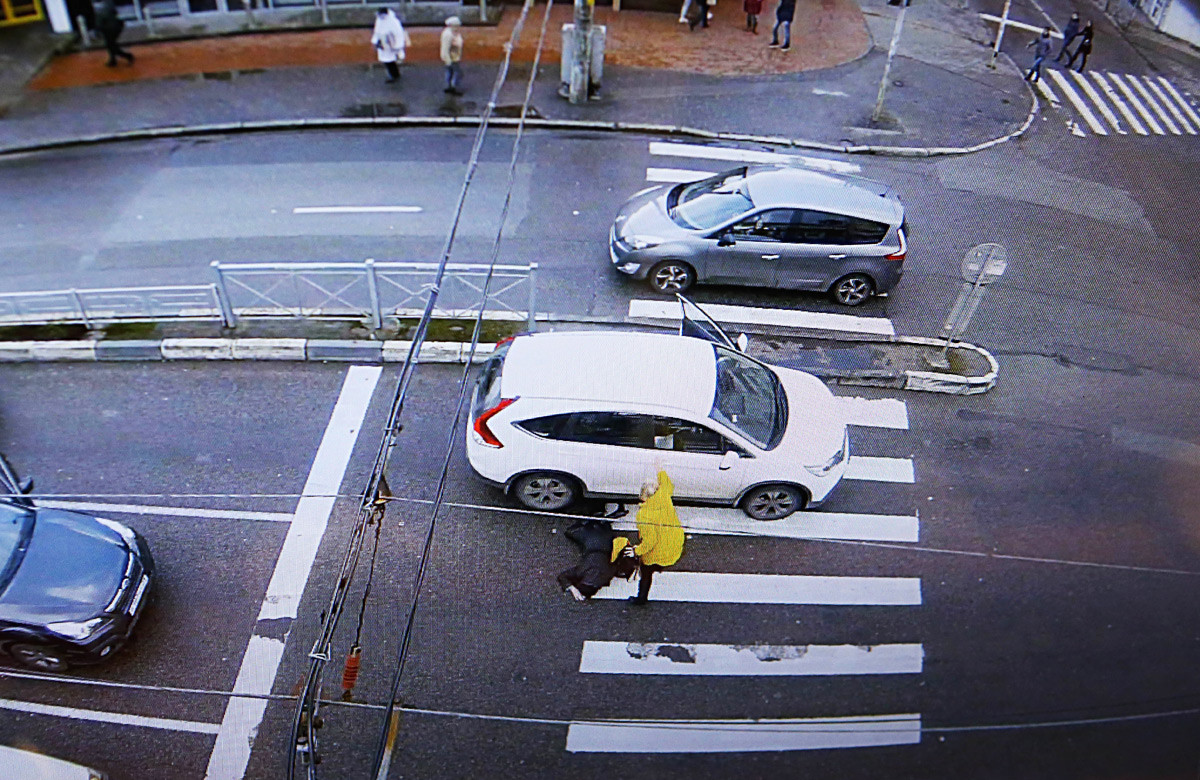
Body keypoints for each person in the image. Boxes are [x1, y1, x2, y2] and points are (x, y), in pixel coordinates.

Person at [628, 470, 685, 606]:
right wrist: (660, 469)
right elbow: (667, 483)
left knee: (646, 572)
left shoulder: (644, 515)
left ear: (643, 496)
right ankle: (659, 567)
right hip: (674, 542)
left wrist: (636, 551)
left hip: (658, 551)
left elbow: (650, 542)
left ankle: (641, 599)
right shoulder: (664, 496)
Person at [556, 518, 635, 601]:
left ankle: (600, 521)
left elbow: (621, 565)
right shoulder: (582, 570)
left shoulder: (608, 574)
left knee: (601, 526)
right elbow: (562, 576)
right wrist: (573, 589)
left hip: (606, 542)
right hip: (591, 543)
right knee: (571, 532)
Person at [370, 8, 410, 84]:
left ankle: (394, 75)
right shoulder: (380, 20)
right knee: (388, 61)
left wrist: (398, 46)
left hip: (391, 43)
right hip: (383, 43)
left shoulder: (393, 22)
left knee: (390, 61)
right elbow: (377, 31)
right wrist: (375, 41)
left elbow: (398, 34)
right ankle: (395, 74)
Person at [96, 0, 134, 68]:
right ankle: (113, 59)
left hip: (110, 26)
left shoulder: (105, 4)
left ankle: (126, 56)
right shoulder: (103, 4)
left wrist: (99, 26)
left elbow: (105, 15)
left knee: (111, 45)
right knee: (110, 44)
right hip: (108, 26)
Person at [440, 16, 465, 95]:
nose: (458, 27)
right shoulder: (448, 35)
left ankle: (449, 86)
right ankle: (454, 87)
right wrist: (448, 60)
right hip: (451, 58)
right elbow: (445, 48)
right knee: (457, 73)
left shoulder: (454, 32)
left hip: (454, 57)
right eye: (456, 25)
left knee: (450, 73)